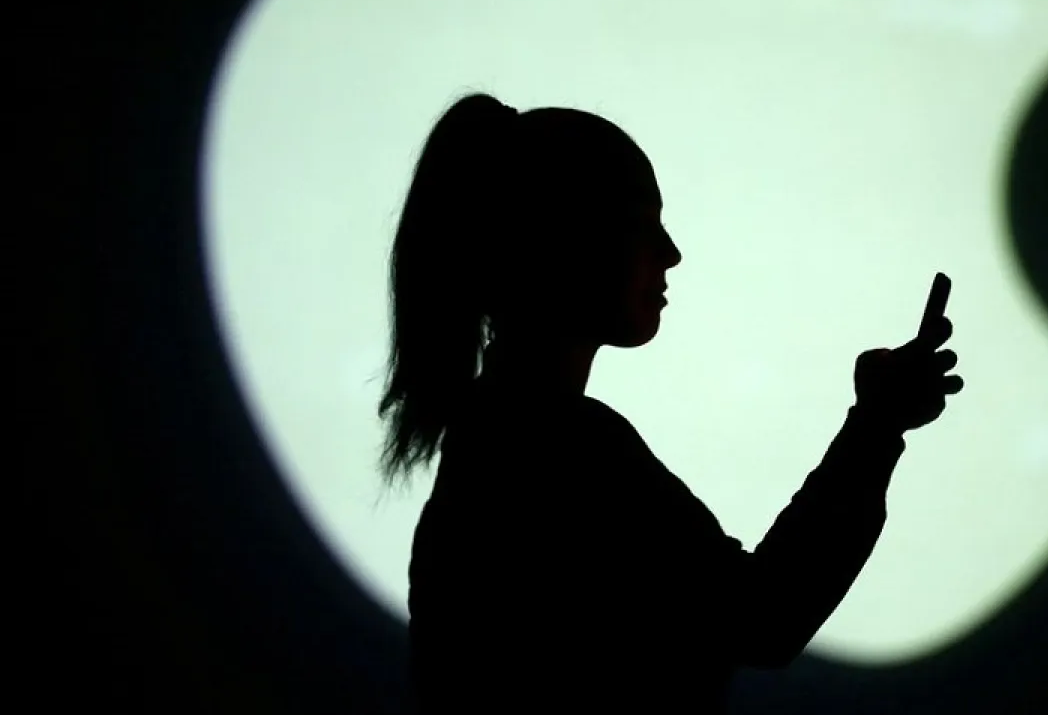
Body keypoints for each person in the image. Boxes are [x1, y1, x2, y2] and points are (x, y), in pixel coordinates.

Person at [378, 92, 963, 713]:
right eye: (641, 223)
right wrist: (877, 426)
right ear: (566, 238)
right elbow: (763, 619)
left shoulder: (495, 442)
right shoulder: (561, 447)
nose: (670, 252)